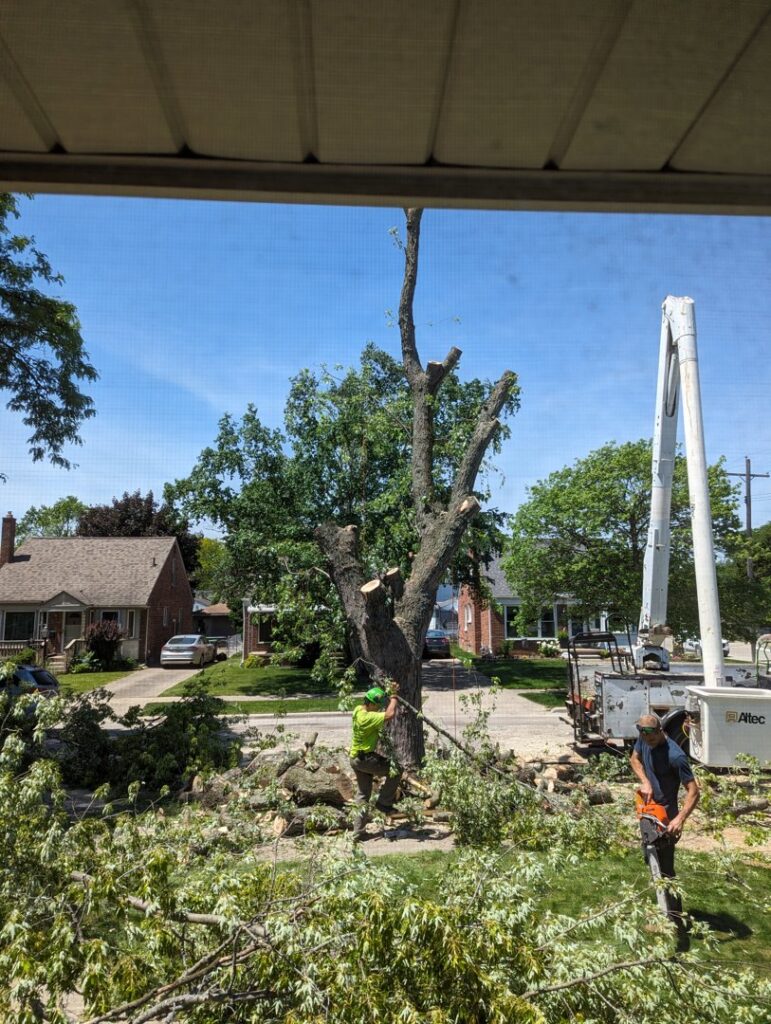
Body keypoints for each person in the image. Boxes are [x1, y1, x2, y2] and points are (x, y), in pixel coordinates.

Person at [630, 713, 700, 895]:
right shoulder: (644, 738)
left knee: (666, 871)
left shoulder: (675, 756)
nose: (648, 741)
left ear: (660, 731)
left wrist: (680, 819)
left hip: (666, 818)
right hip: (648, 811)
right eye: (645, 737)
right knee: (650, 860)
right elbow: (634, 759)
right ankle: (662, 915)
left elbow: (694, 791)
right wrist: (645, 781)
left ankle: (674, 919)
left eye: (652, 737)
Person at [349, 680, 401, 840]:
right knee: (397, 770)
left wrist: (386, 689)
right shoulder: (368, 718)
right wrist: (394, 696)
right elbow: (390, 714)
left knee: (363, 794)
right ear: (371, 704)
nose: (379, 708)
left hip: (355, 758)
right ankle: (384, 802)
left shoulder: (358, 710)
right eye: (377, 705)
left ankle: (358, 832)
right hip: (365, 759)